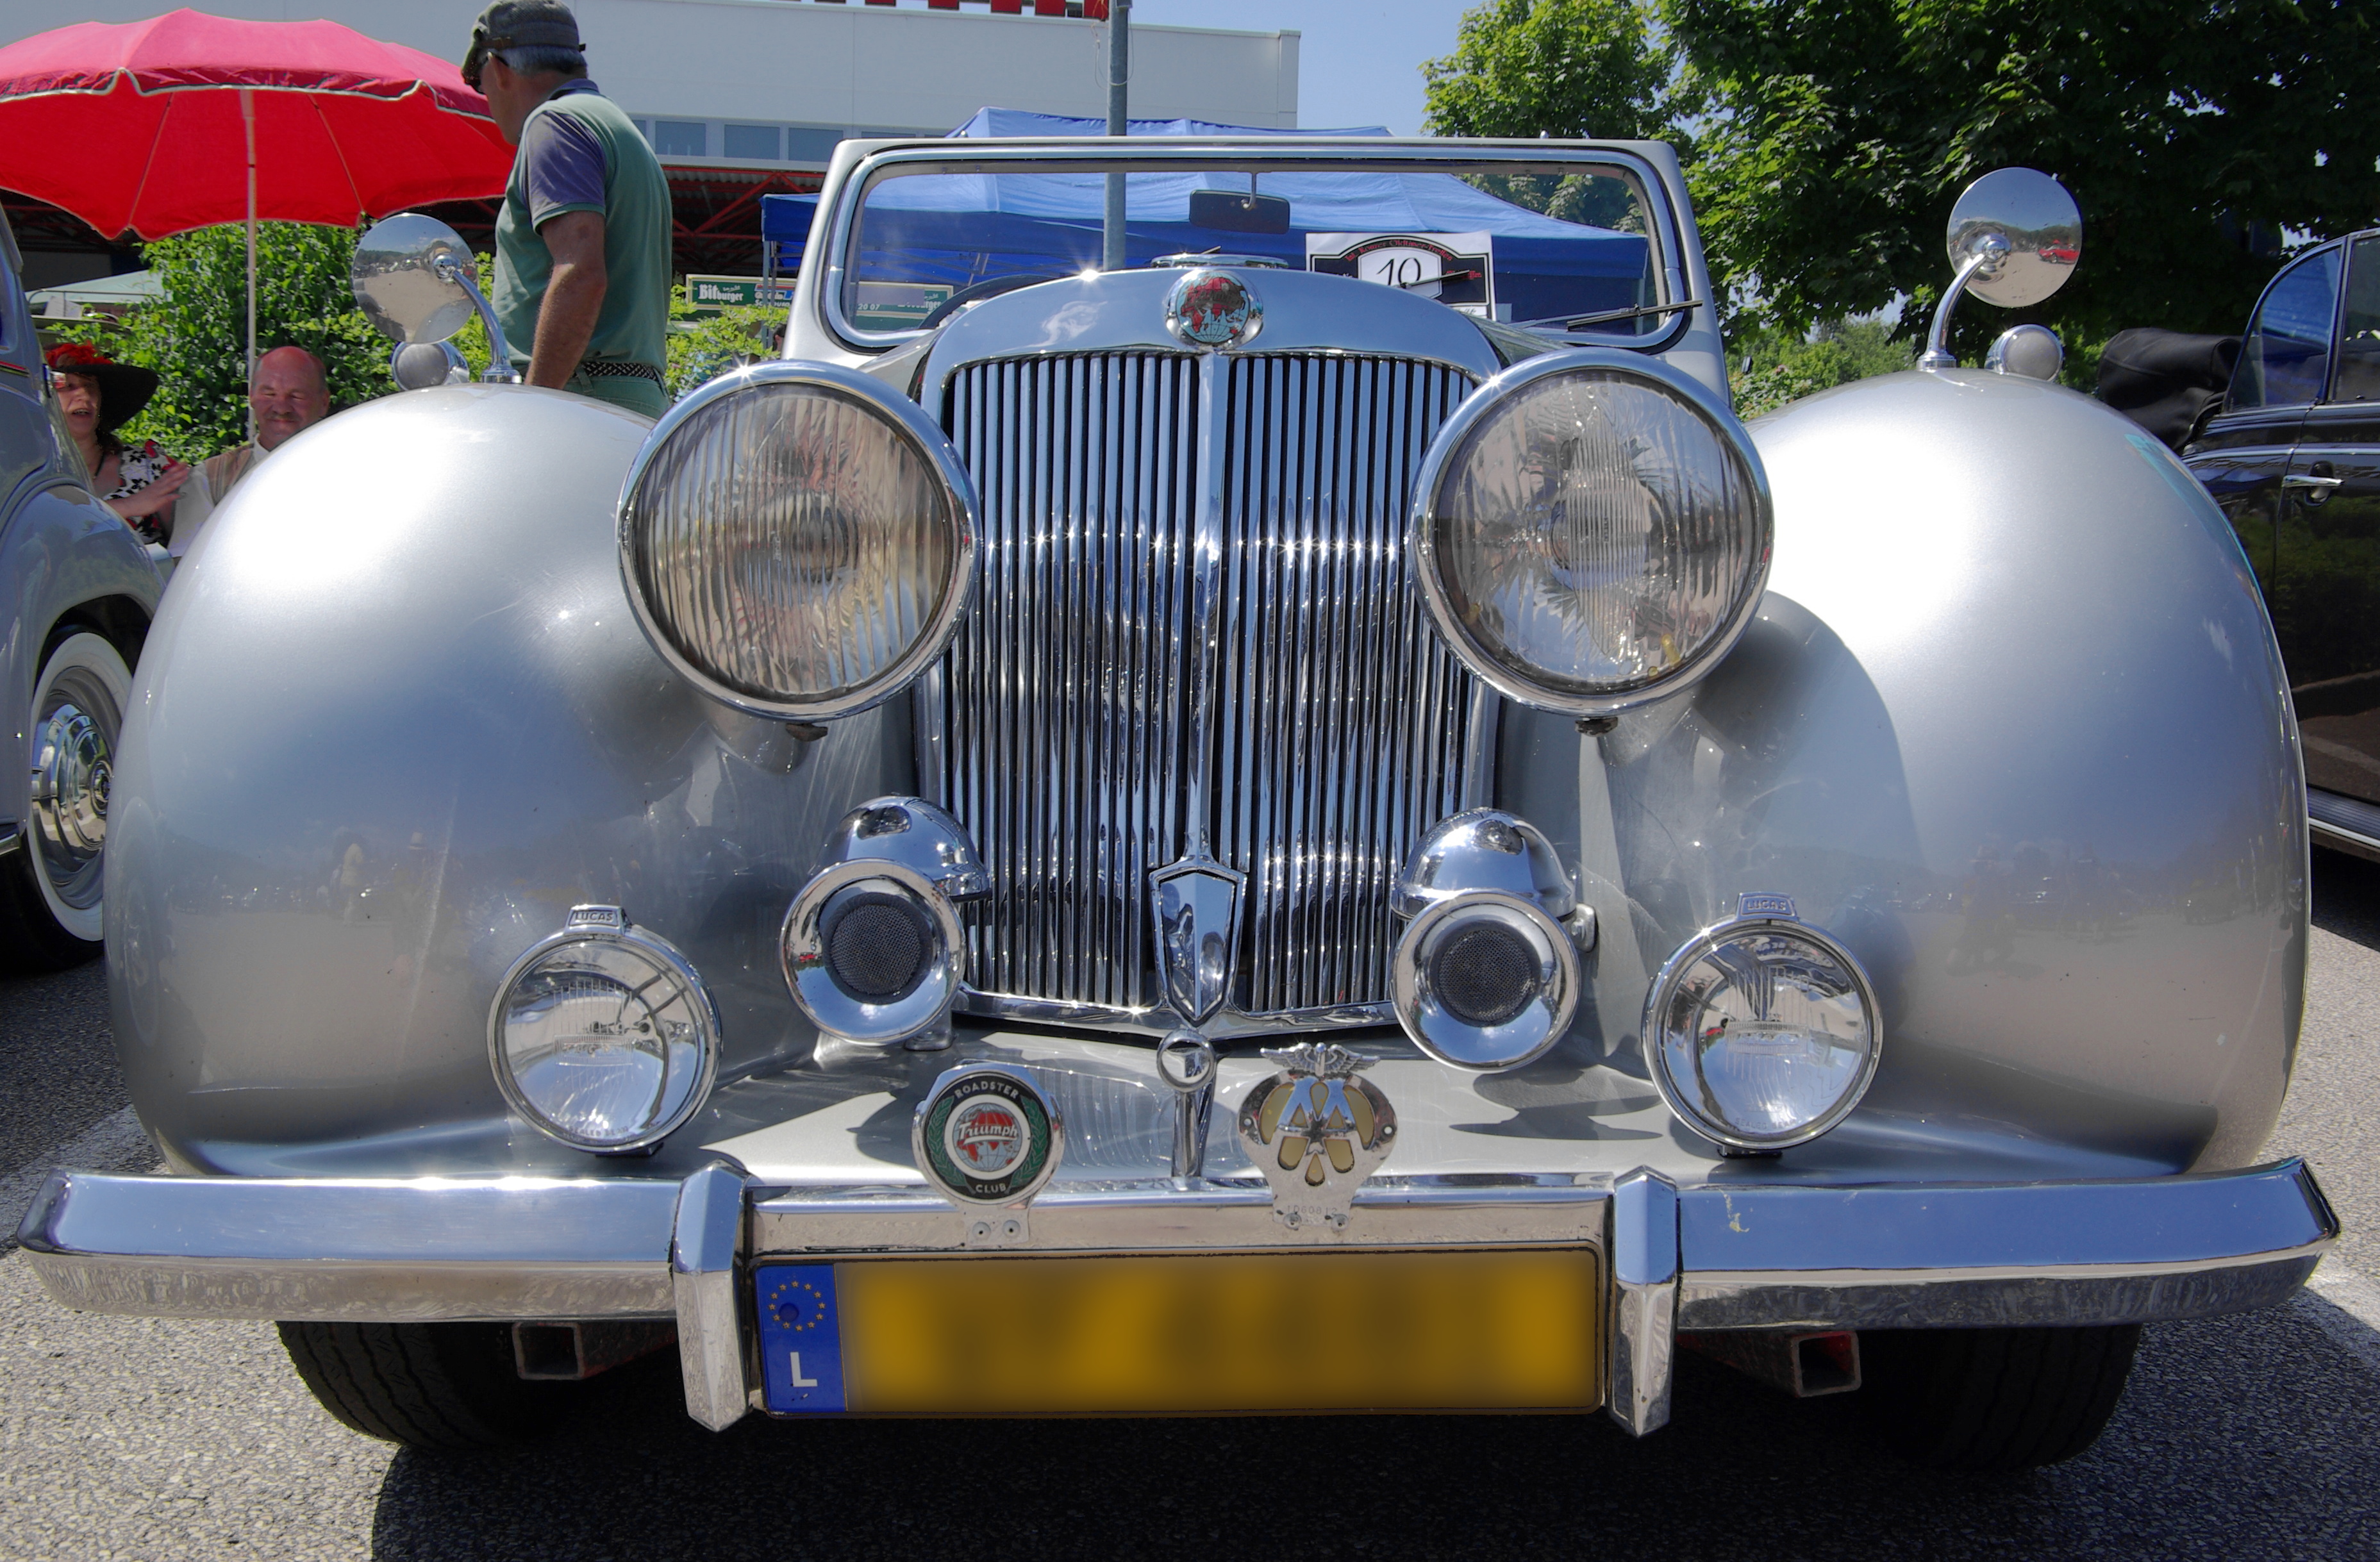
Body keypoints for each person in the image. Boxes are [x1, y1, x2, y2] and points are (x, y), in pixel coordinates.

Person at [463, 1, 672, 415]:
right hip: (632, 401)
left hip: (578, 402)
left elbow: (580, 275)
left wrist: (536, 404)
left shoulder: (554, 124)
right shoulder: (619, 129)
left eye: (478, 82)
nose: (484, 97)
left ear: (500, 69)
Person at [171, 345, 333, 557]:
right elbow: (186, 568)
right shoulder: (208, 481)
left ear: (324, 402)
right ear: (252, 397)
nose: (281, 407)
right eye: (269, 393)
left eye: (296, 396)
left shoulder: (358, 473)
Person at [46, 343, 188, 545]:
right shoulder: (21, 472)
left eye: (91, 387)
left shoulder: (150, 468)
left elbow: (193, 545)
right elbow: (34, 532)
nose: (84, 396)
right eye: (69, 386)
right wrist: (127, 506)